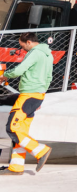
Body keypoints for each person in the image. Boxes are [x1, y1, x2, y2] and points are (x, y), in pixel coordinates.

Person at [0, 33, 53, 175]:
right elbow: (49, 77)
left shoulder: (35, 53)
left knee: (12, 128)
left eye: (22, 46)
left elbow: (19, 70)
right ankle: (16, 167)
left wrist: (5, 75)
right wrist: (40, 97)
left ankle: (40, 150)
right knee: (21, 132)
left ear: (28, 42)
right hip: (37, 95)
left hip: (28, 94)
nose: (22, 49)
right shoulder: (48, 54)